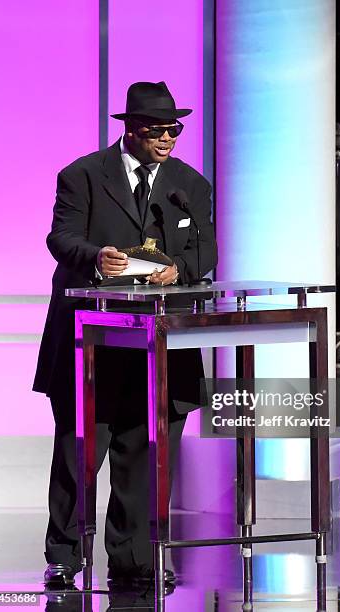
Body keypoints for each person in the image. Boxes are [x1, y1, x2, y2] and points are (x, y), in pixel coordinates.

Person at [33, 81, 218, 587]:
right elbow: (61, 236)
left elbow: (207, 254)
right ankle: (65, 556)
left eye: (174, 130)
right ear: (132, 131)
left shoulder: (189, 185)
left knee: (144, 452)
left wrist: (177, 269)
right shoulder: (83, 175)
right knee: (79, 450)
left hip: (155, 344)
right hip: (90, 338)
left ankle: (136, 558)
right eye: (158, 131)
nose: (168, 139)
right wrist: (97, 256)